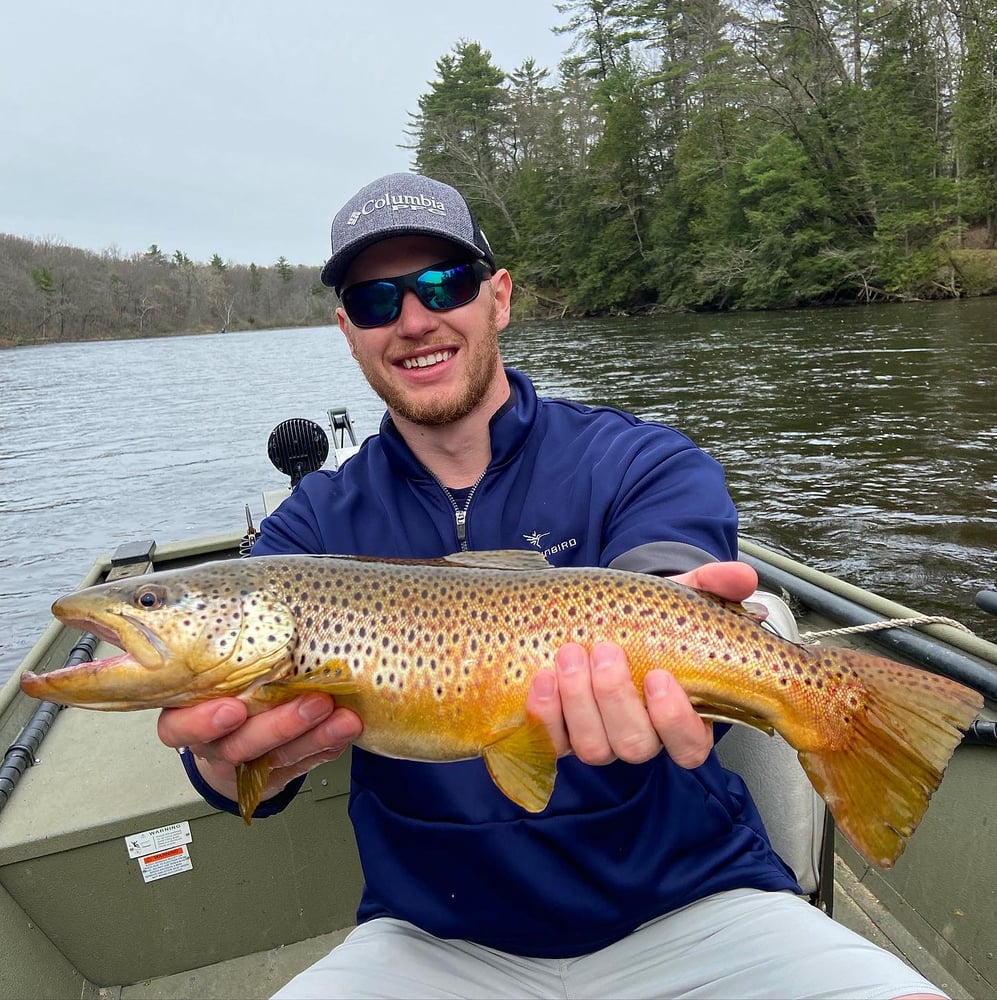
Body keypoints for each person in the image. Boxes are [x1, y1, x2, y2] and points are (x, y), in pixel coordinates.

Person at [158, 172, 945, 999]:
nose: (415, 319)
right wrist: (229, 760)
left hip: (699, 905)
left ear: (497, 297)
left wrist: (676, 613)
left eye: (442, 284)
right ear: (346, 329)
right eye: (376, 300)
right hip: (430, 939)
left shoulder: (639, 462)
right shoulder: (307, 537)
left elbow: (661, 574)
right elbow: (225, 773)